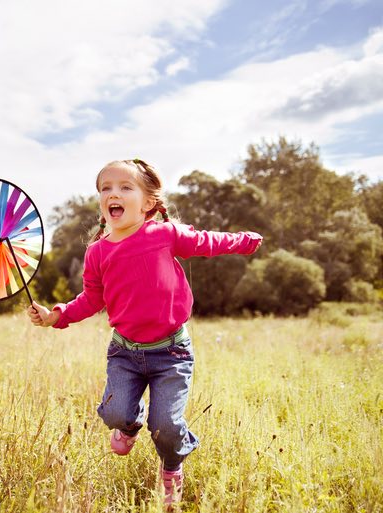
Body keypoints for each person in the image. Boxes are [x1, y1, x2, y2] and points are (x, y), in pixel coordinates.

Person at [28, 158, 262, 507]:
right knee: (114, 414)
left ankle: (172, 466)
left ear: (148, 202)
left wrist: (243, 241)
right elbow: (91, 299)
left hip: (172, 353)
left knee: (165, 425)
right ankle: (129, 424)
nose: (113, 193)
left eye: (125, 187)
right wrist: (56, 315)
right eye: (105, 188)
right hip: (125, 354)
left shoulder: (164, 235)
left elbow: (206, 241)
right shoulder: (97, 253)